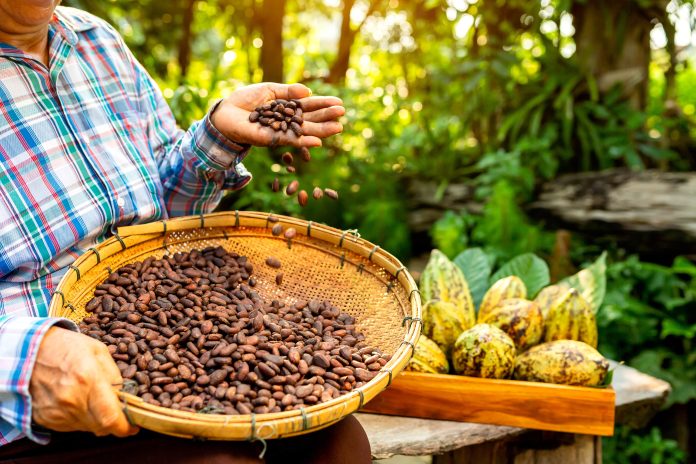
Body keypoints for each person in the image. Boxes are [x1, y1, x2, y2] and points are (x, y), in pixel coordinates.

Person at [0, 1, 371, 462]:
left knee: (339, 443)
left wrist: (218, 137)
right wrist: (22, 362)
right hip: (35, 420)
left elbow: (163, 211)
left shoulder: (97, 42)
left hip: (160, 342)